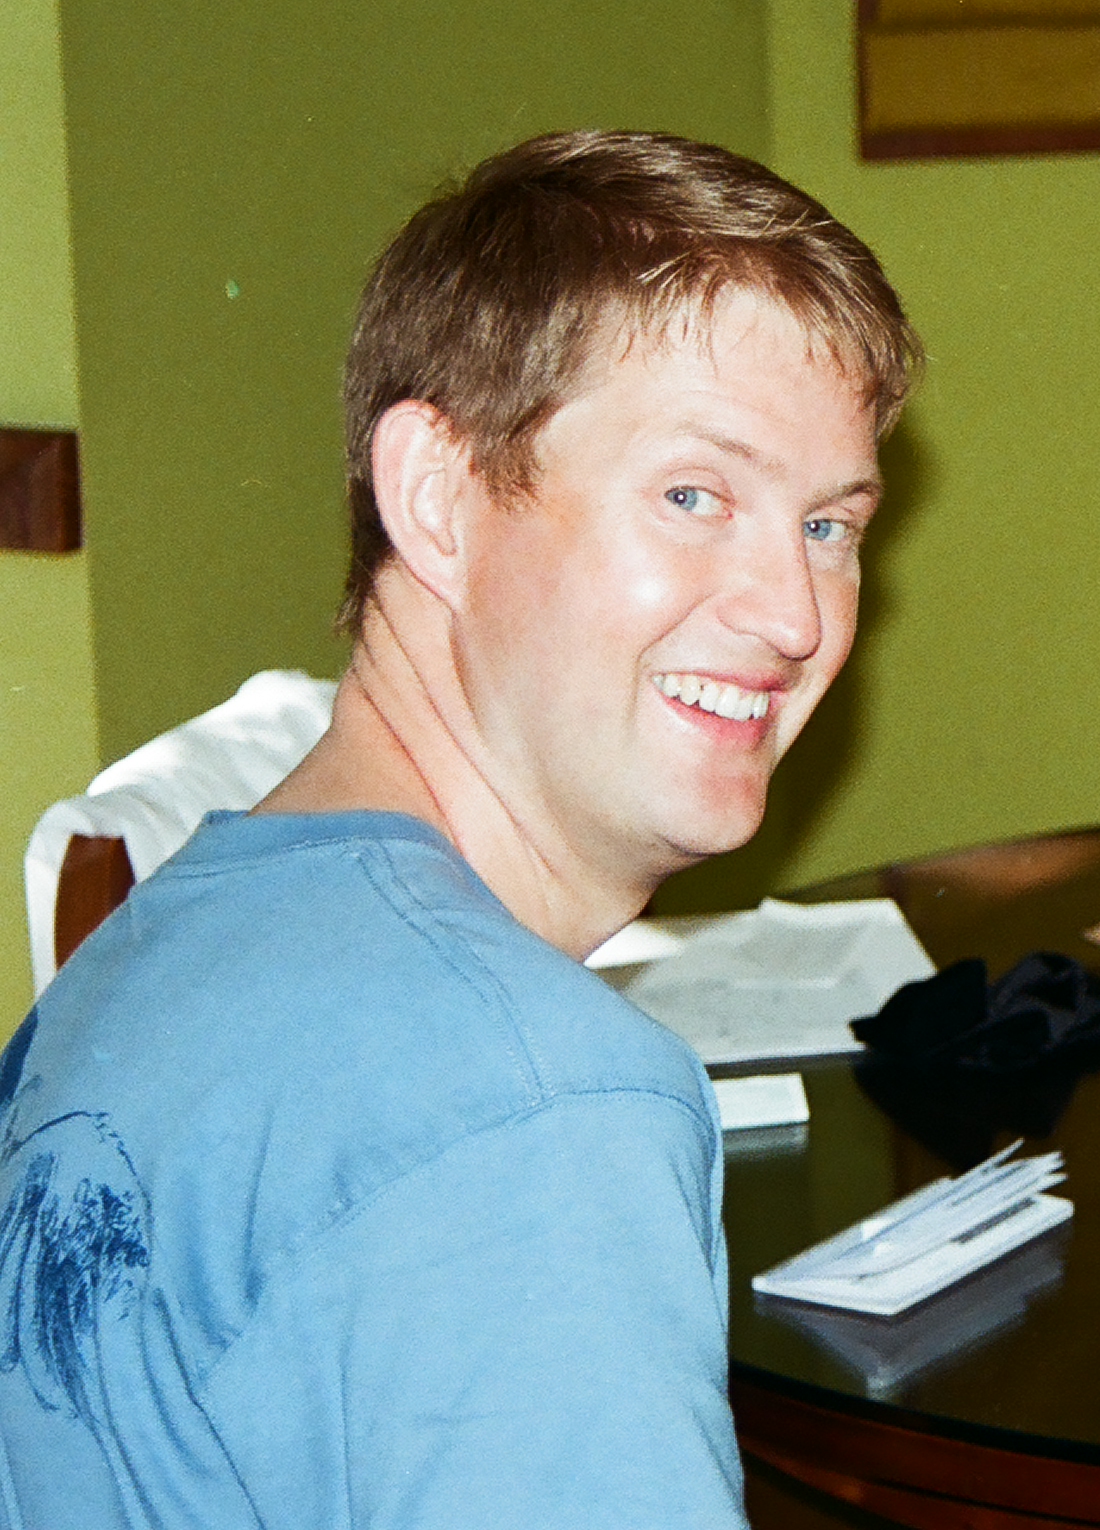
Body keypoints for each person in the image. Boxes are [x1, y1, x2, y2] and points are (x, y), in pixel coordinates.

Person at [0, 132, 920, 1528]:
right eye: (694, 495)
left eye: (830, 526)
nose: (794, 616)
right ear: (437, 497)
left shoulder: (158, 939)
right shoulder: (530, 1106)